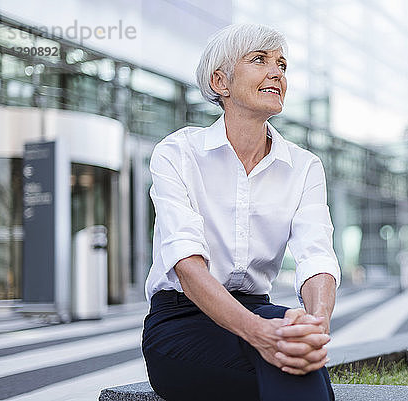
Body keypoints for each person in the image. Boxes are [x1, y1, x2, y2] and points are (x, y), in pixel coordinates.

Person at [141, 24, 341, 401]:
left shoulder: (304, 166)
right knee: (288, 361)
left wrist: (314, 327)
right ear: (221, 81)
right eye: (260, 60)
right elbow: (186, 264)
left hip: (258, 310)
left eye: (282, 64)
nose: (277, 73)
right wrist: (263, 335)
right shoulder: (178, 153)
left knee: (290, 351)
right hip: (181, 321)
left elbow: (317, 257)